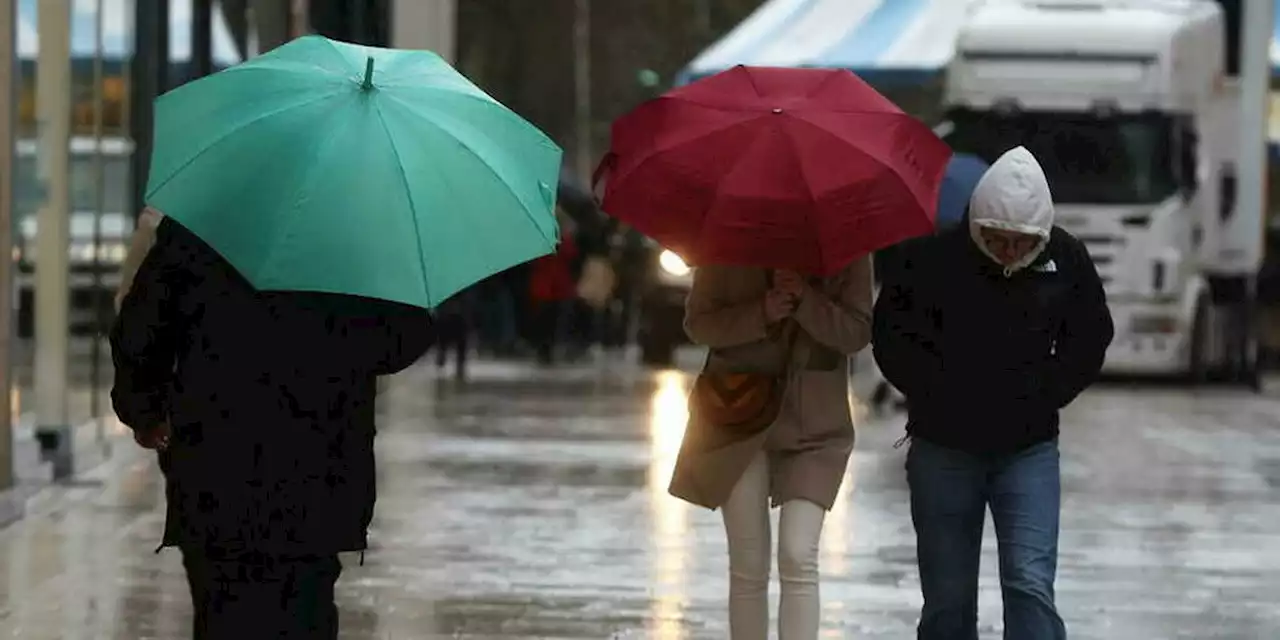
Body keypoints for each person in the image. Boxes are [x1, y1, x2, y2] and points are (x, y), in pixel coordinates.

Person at [111, 218, 433, 639]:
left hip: (215, 469)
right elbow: (402, 338)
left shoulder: (200, 223)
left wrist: (146, 413)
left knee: (221, 609)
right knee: (305, 609)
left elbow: (138, 333)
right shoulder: (353, 233)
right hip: (318, 471)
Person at [872, 146, 1114, 640]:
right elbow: (891, 334)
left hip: (1028, 451)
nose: (1008, 252)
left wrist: (1048, 390)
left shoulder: (1064, 258)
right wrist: (932, 390)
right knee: (947, 596)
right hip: (943, 448)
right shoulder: (929, 259)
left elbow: (1090, 336)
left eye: (1021, 243)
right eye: (997, 240)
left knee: (1029, 582)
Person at [669, 257, 874, 640]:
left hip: (816, 422)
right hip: (738, 414)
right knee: (748, 563)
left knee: (799, 554)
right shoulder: (728, 240)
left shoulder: (847, 243)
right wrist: (761, 311)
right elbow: (699, 323)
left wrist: (805, 300)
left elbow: (857, 332)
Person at [527, 212, 580, 365]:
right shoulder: (543, 240)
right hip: (547, 287)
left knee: (553, 320)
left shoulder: (564, 241)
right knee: (546, 321)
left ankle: (548, 350)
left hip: (556, 288)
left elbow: (572, 255)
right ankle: (544, 350)